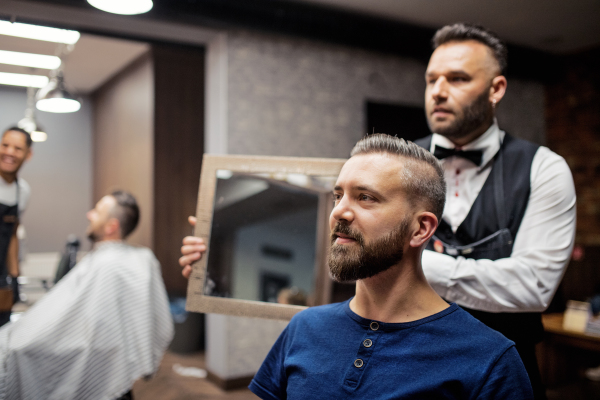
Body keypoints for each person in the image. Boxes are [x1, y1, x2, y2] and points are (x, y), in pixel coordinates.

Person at [182, 135, 534, 399]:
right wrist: (209, 264)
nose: (339, 212)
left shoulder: (490, 361)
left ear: (421, 228)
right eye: (339, 195)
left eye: (366, 197)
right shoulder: (304, 327)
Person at [416, 23, 576, 399]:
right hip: (408, 363)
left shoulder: (544, 168)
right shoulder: (396, 163)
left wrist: (414, 264)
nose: (437, 92)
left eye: (457, 79)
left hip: (507, 373)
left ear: (496, 89)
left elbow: (533, 286)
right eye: (431, 79)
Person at [0, 190, 173, 400]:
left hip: (94, 356)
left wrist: (19, 345)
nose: (89, 215)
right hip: (110, 357)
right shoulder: (139, 258)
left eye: (97, 212)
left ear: (112, 226)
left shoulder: (107, 265)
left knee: (13, 349)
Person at [0, 127, 32, 327]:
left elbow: (13, 235)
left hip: (1, 276)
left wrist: (14, 277)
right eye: (5, 145)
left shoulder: (23, 192)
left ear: (28, 154)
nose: (10, 152)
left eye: (17, 148)